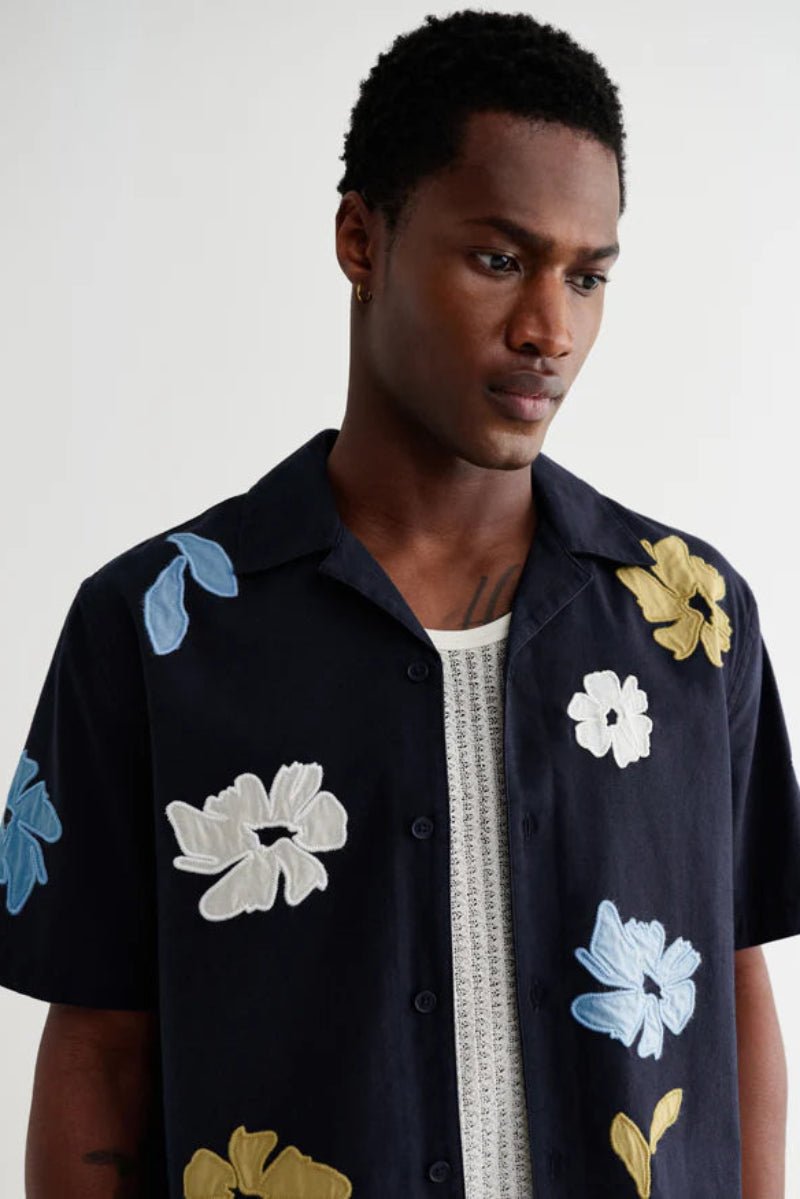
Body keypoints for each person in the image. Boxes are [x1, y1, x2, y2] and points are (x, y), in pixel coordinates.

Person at [2, 9, 797, 1198]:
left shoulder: (690, 620)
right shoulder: (157, 624)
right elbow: (98, 1054)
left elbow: (733, 1002)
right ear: (359, 239)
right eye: (497, 258)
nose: (549, 329)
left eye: (586, 275)